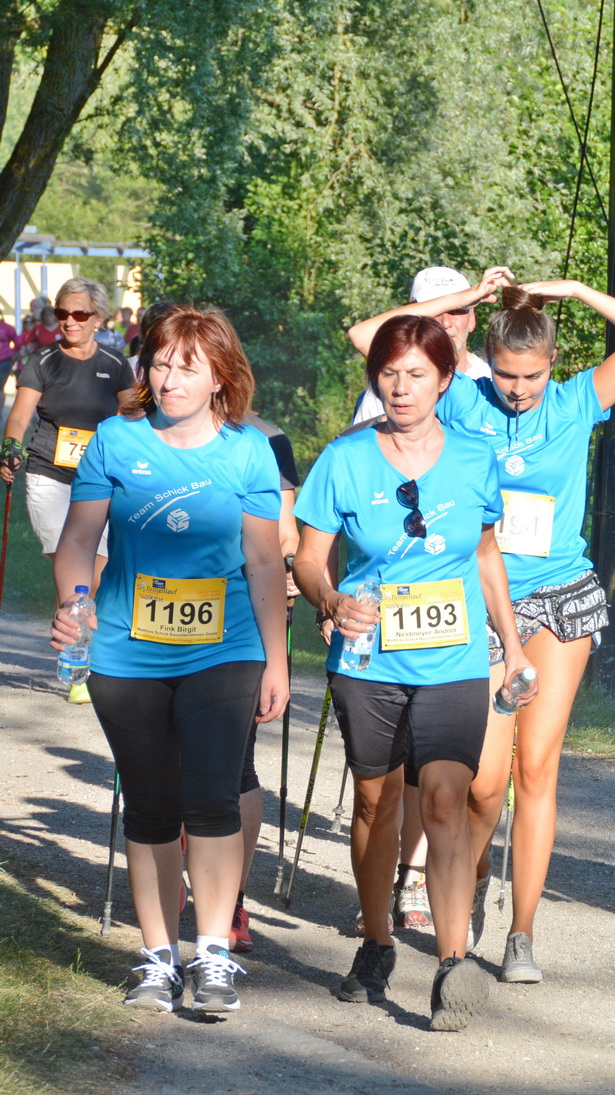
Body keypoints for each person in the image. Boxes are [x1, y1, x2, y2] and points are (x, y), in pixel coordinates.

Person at [349, 277, 615, 979]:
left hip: (559, 597)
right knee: (483, 781)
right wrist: (462, 296)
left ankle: (521, 932)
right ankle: (472, 872)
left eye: (531, 376)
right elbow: (367, 337)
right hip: (483, 598)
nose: (519, 390)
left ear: (553, 364)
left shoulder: (578, 401)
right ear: (485, 362)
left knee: (537, 766)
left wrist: (576, 290)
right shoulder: (463, 397)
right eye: (505, 374)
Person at [294, 314, 535, 1030]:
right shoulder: (343, 459)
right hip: (368, 657)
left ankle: (454, 962)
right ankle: (376, 943)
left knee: (446, 799)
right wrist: (330, 599)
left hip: (454, 657)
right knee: (375, 803)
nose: (400, 388)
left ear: (445, 379)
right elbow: (308, 559)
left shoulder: (474, 456)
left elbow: (486, 553)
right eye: (389, 374)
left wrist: (512, 644)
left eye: (417, 375)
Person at [51, 305, 289, 1013]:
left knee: (213, 797)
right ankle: (158, 958)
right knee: (151, 805)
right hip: (127, 651)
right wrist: (76, 604)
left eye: (187, 368)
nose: (169, 379)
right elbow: (78, 540)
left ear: (221, 377)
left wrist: (277, 661)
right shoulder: (115, 440)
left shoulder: (248, 451)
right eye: (159, 364)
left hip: (225, 649)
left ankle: (213, 954)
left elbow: (263, 561)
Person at [3, 279, 132, 703]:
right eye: (62, 313)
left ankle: (84, 650)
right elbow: (19, 416)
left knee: (97, 574)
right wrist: (10, 446)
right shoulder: (42, 361)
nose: (69, 321)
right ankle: (77, 666)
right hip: (49, 476)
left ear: (99, 318)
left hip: (100, 483)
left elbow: (134, 418)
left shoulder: (115, 364)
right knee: (70, 565)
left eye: (79, 314)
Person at [229, 408, 302, 952]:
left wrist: (291, 566)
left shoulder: (267, 439)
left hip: (241, 610)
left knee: (238, 759)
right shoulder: (141, 428)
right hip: (158, 609)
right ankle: (172, 854)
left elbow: (286, 528)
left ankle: (231, 896)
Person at [350, 267, 496, 426]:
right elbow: (361, 335)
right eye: (435, 311)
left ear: (472, 319)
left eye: (456, 311)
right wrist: (457, 300)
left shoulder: (492, 383)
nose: (445, 323)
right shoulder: (386, 392)